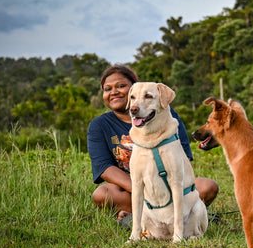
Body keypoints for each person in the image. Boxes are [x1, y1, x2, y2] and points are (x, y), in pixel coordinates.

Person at [87, 65, 219, 227]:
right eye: (107, 89)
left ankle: (137, 217)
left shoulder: (166, 114)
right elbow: (105, 167)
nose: (114, 92)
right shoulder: (99, 125)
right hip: (132, 190)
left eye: (121, 86)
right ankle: (163, 217)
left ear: (135, 88)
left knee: (207, 187)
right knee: (103, 194)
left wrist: (164, 190)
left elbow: (183, 157)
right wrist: (144, 191)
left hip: (169, 187)